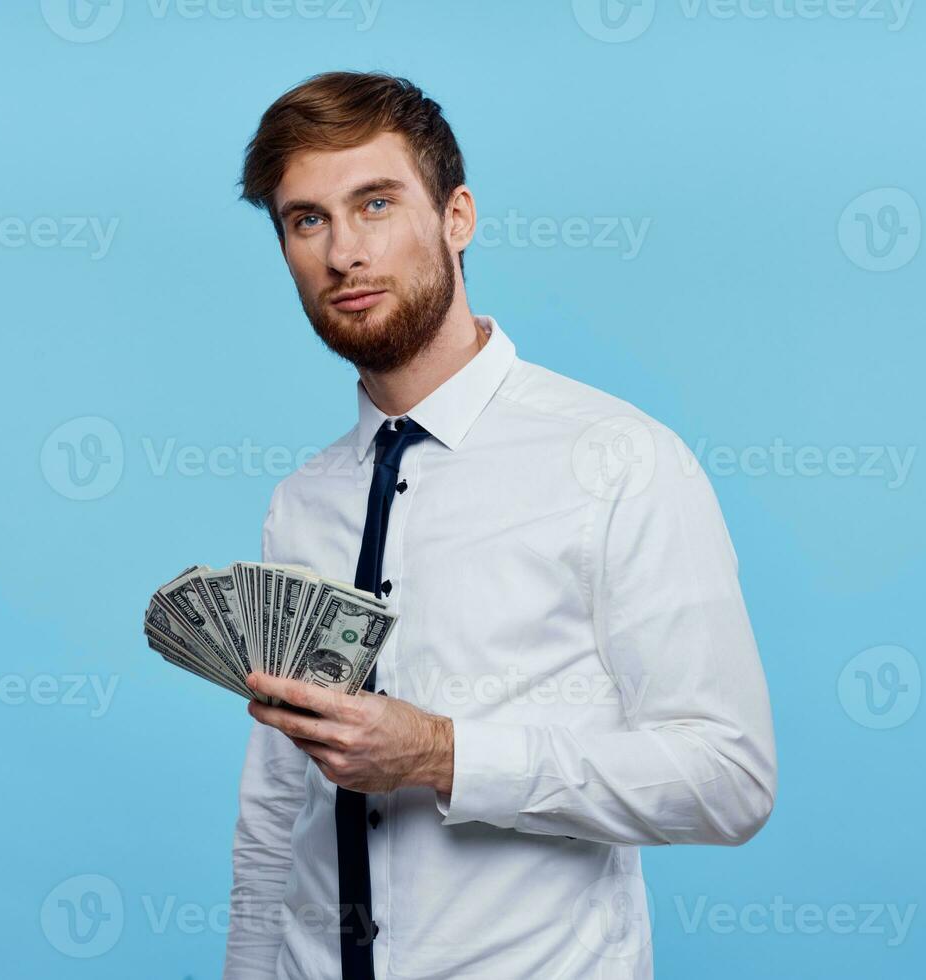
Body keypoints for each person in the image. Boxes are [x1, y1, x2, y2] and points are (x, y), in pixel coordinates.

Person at [225, 70, 777, 980]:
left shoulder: (616, 461)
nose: (343, 254)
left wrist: (445, 755)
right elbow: (276, 807)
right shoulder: (303, 501)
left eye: (375, 203)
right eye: (306, 219)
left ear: (457, 218)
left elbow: (729, 779)